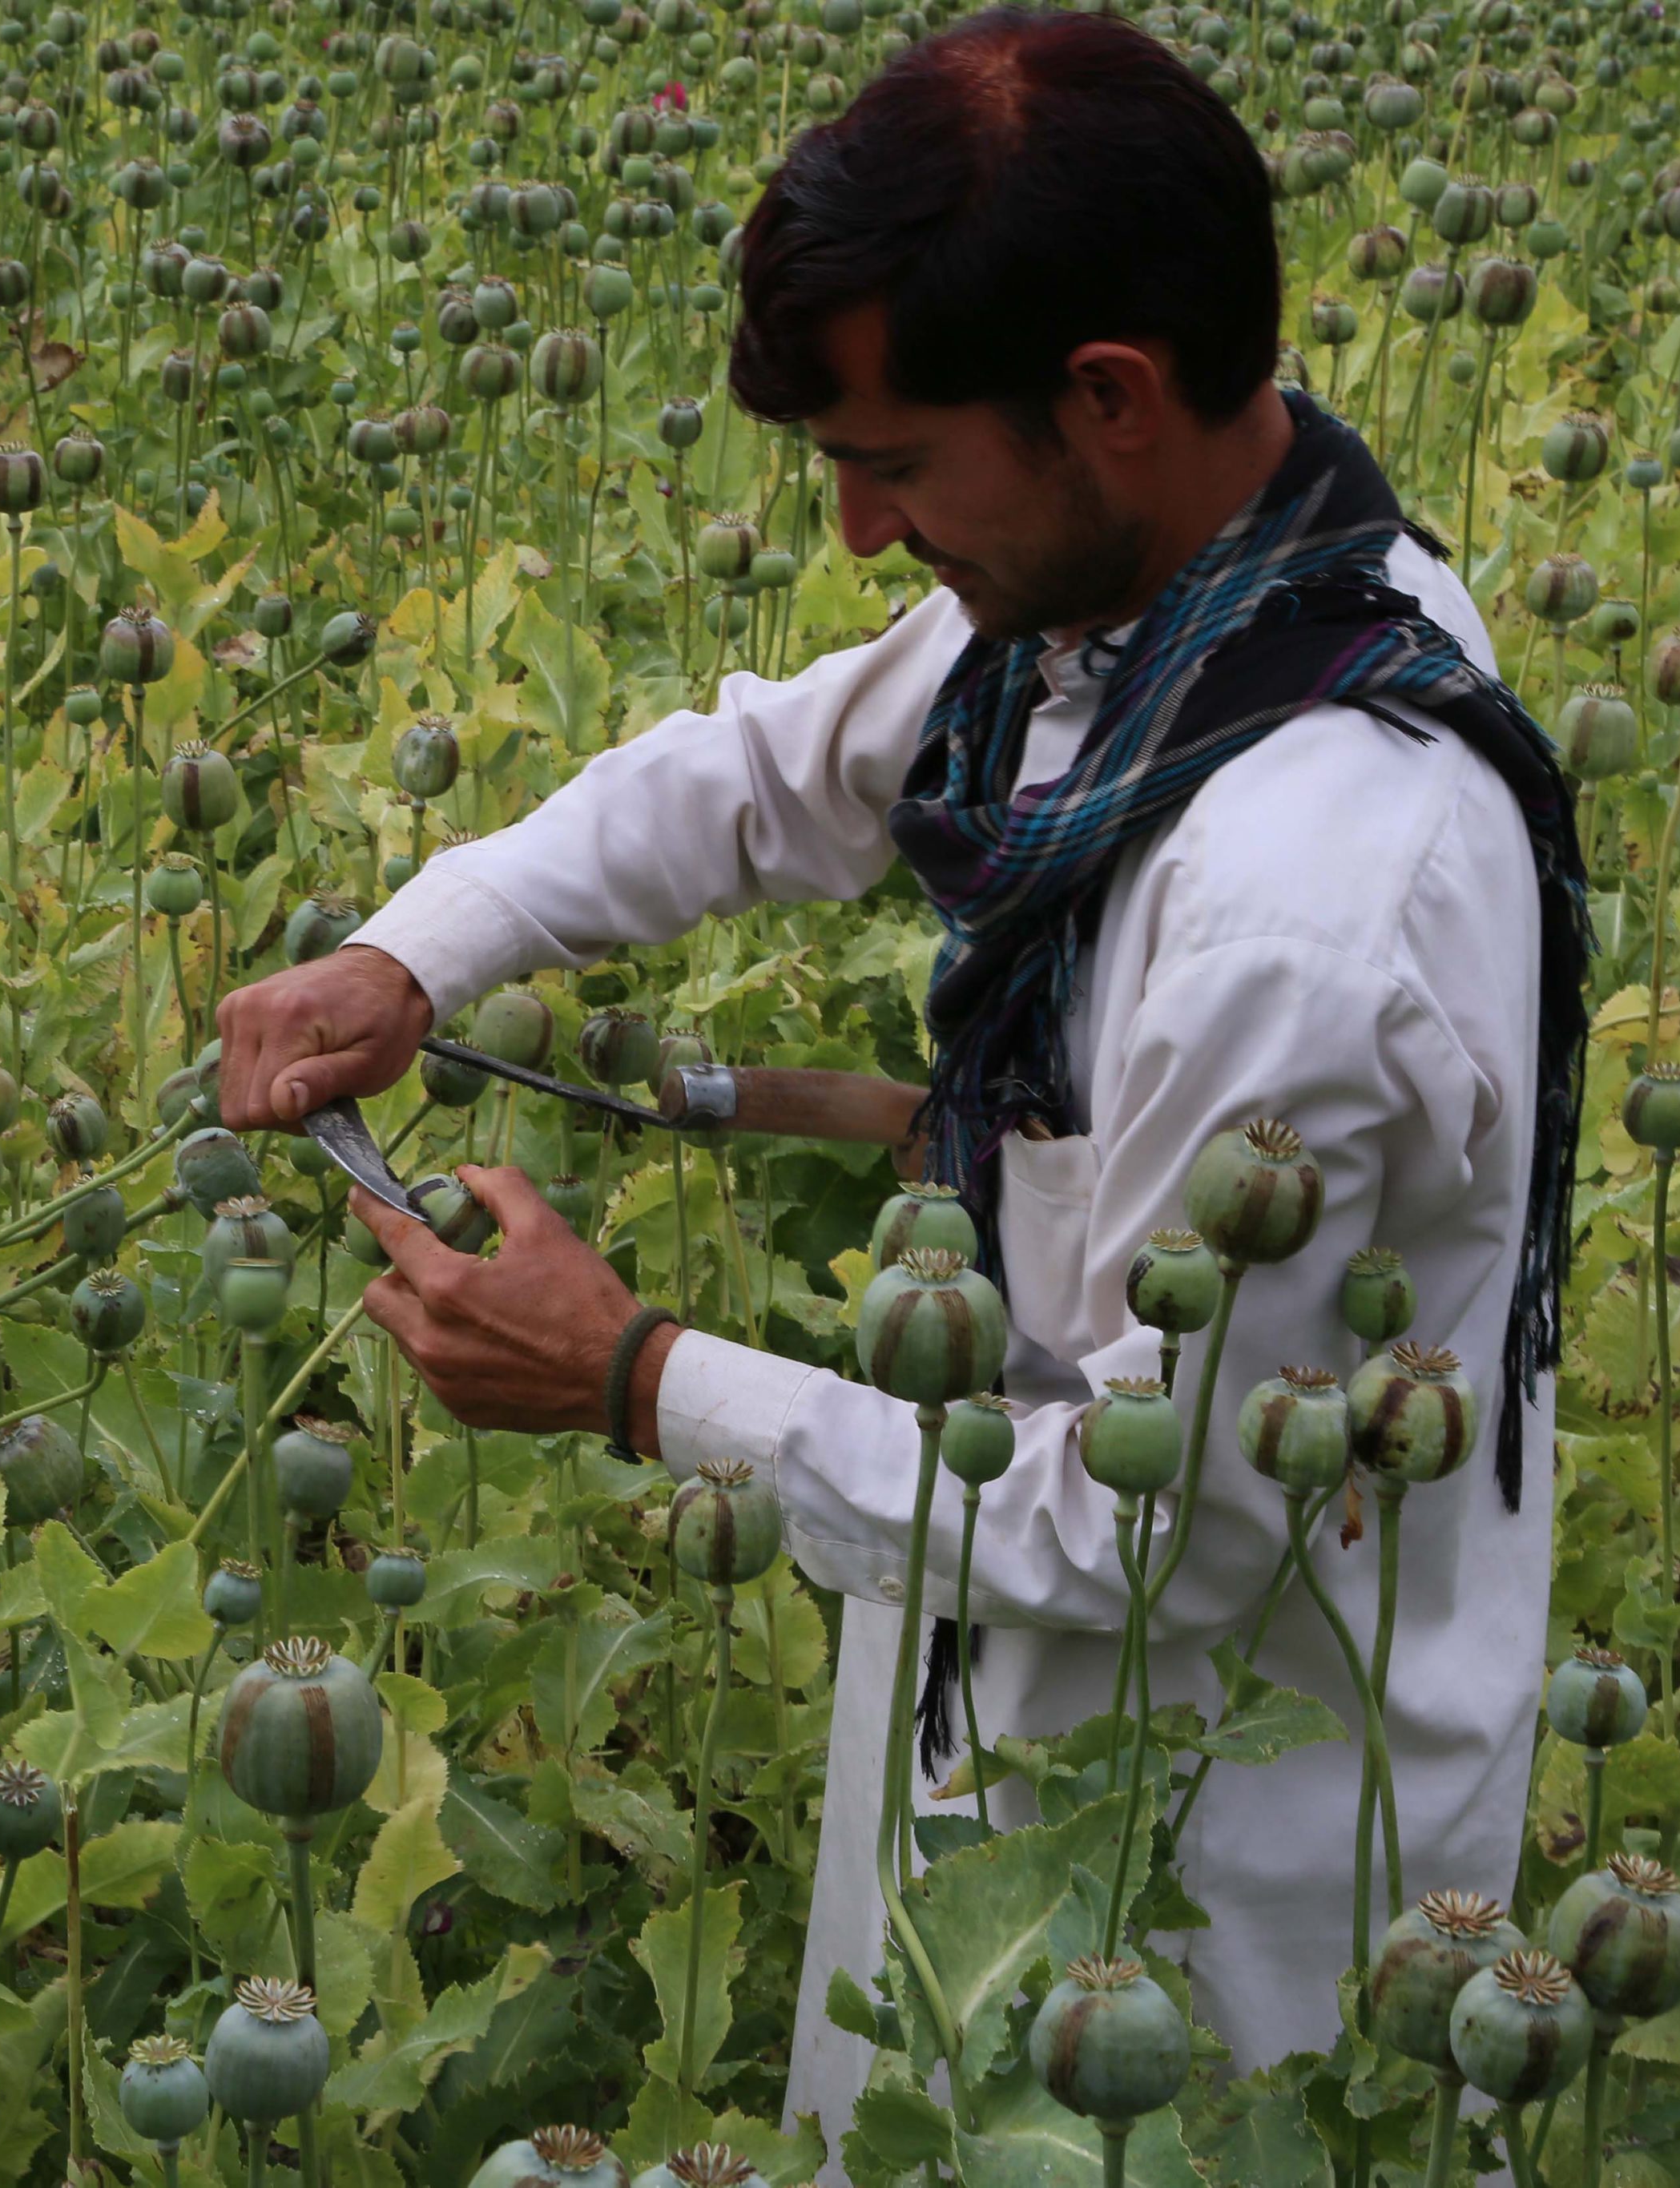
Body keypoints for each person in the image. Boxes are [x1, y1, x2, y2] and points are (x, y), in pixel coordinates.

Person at [213, 6, 1592, 2173]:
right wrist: (420, 951)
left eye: (893, 459)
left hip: (1221, 1834)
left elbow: (1145, 1532)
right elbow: (771, 768)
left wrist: (640, 1378)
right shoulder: (1187, 609)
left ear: (1106, 401)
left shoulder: (1299, 912)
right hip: (979, 1655)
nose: (858, 531)